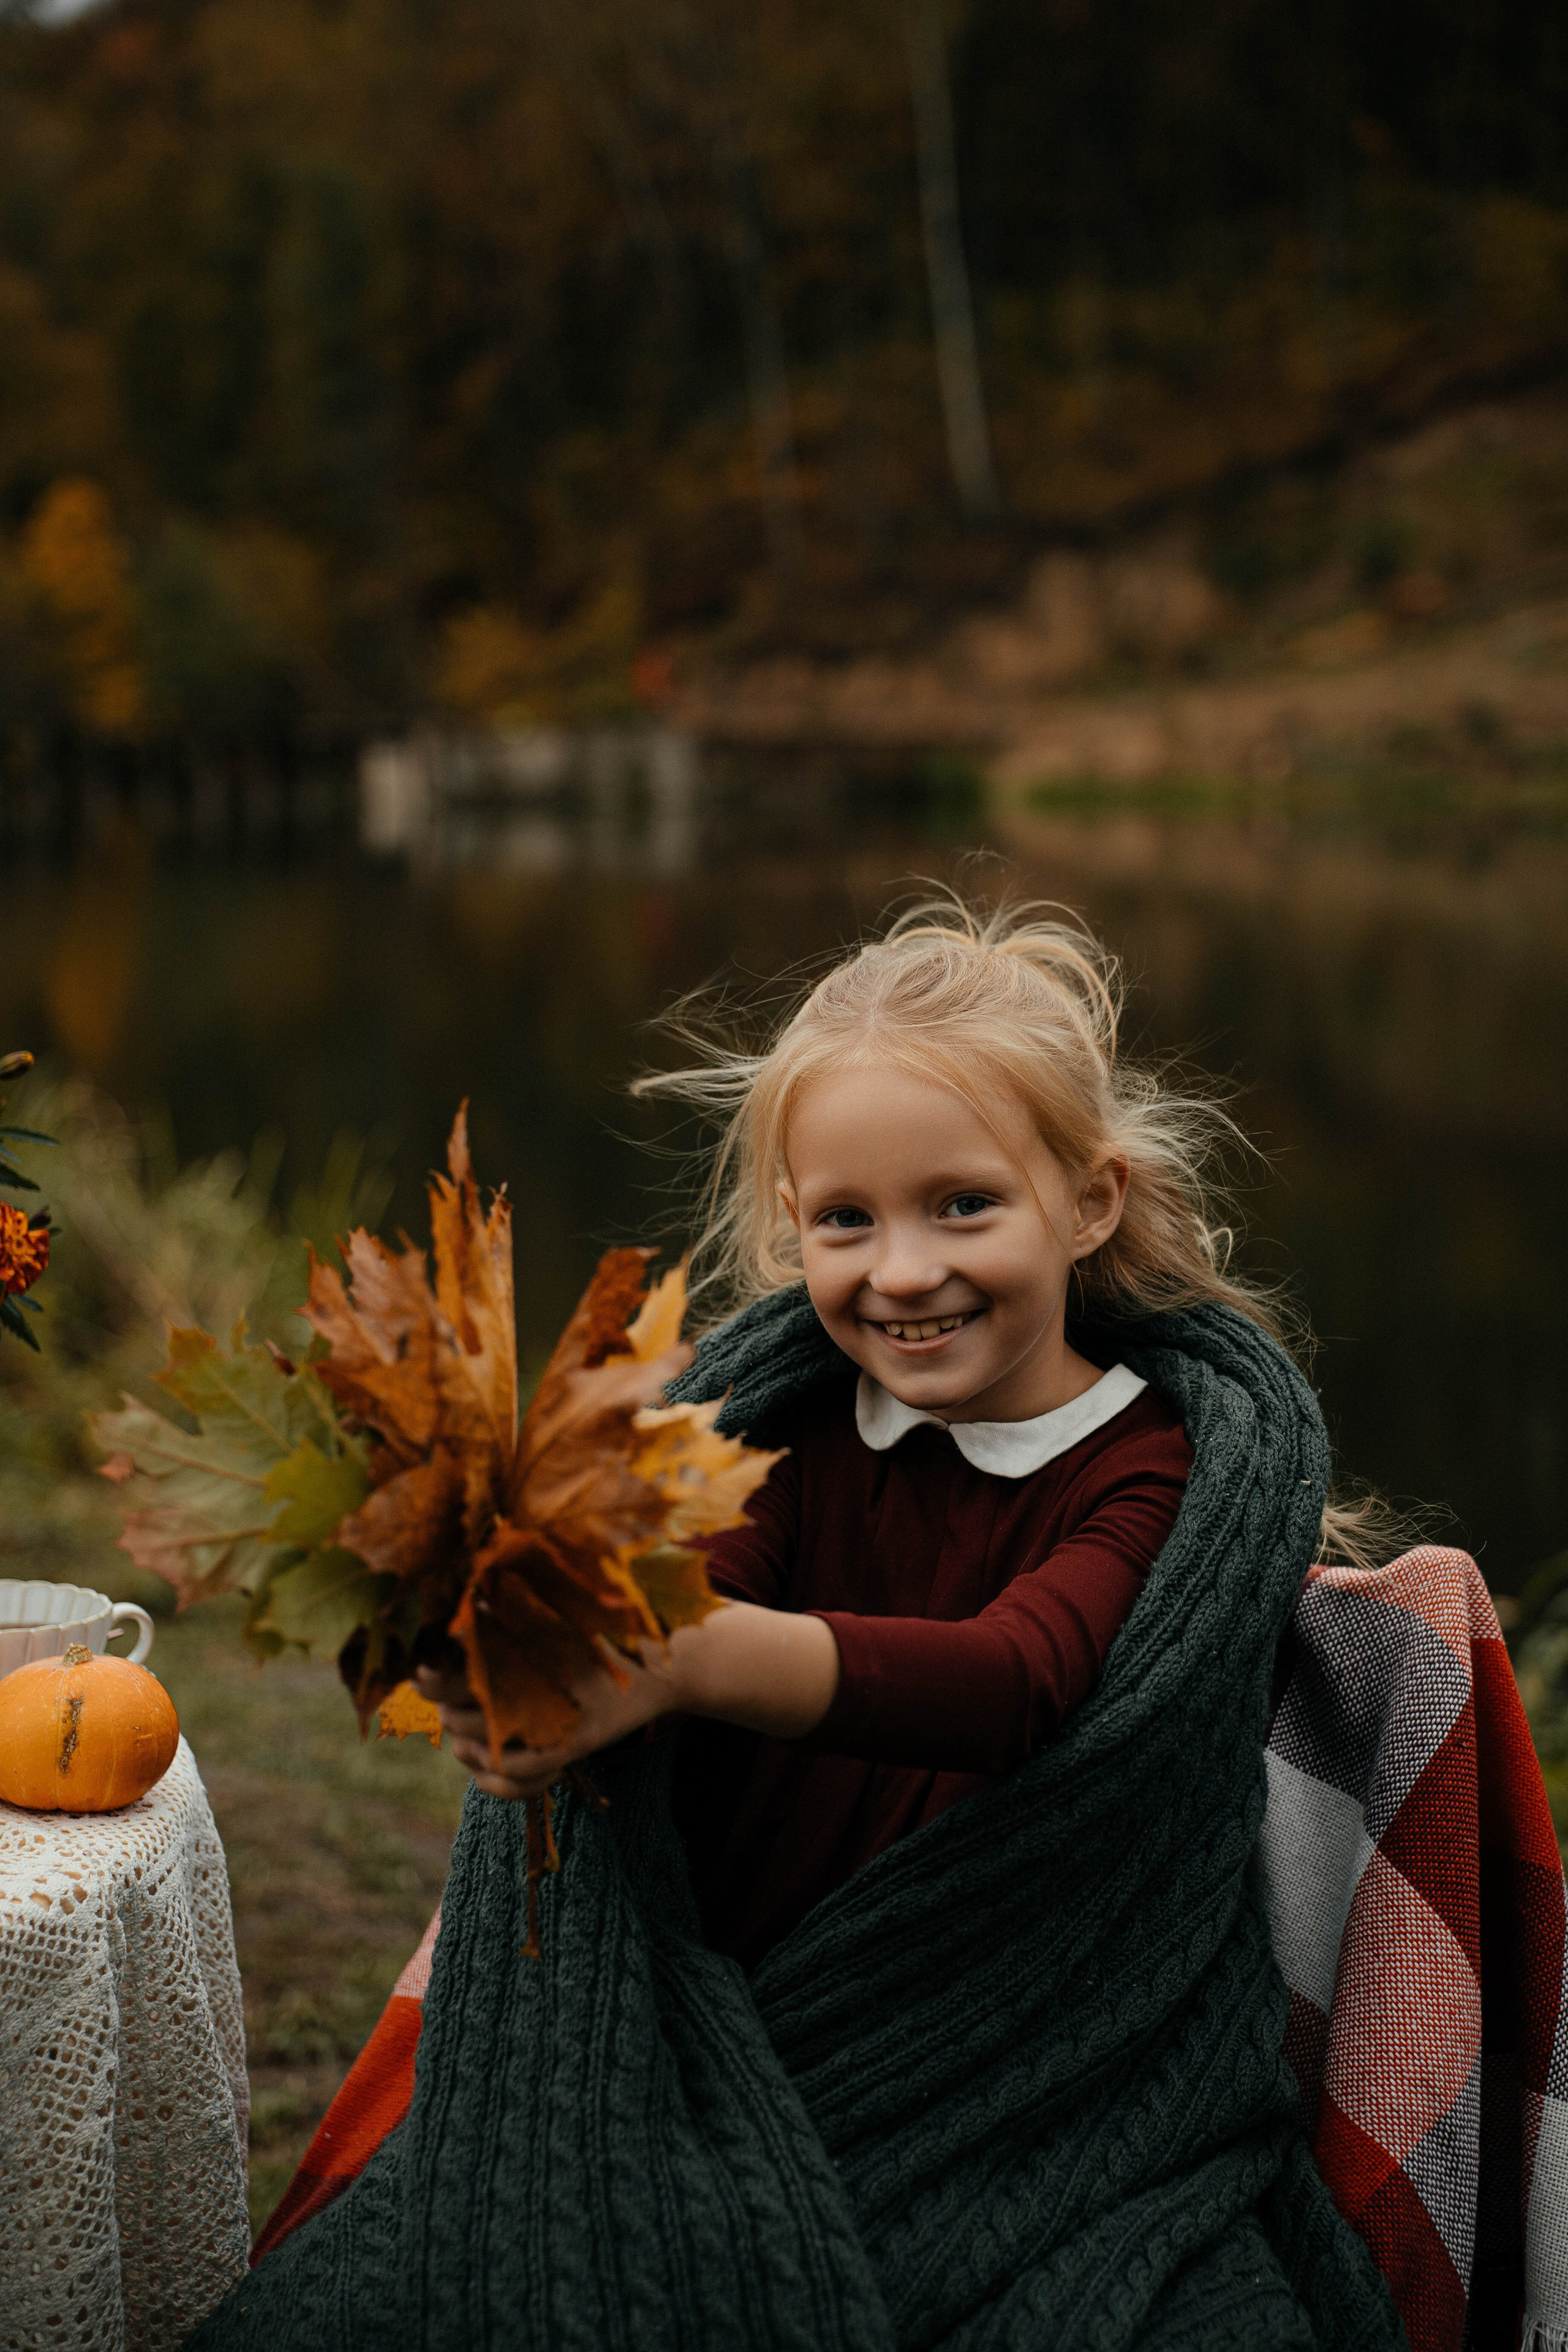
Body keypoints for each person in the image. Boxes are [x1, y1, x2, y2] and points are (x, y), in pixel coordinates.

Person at [202, 894, 1410, 2351]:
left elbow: (1015, 1684)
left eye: (961, 1204)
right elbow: (679, 1599)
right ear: (792, 1226)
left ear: (1085, 1202)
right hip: (739, 2021)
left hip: (1008, 2055)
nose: (901, 1270)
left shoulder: (1144, 1463)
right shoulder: (778, 1434)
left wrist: (687, 1661)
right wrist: (548, 1692)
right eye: (846, 1219)